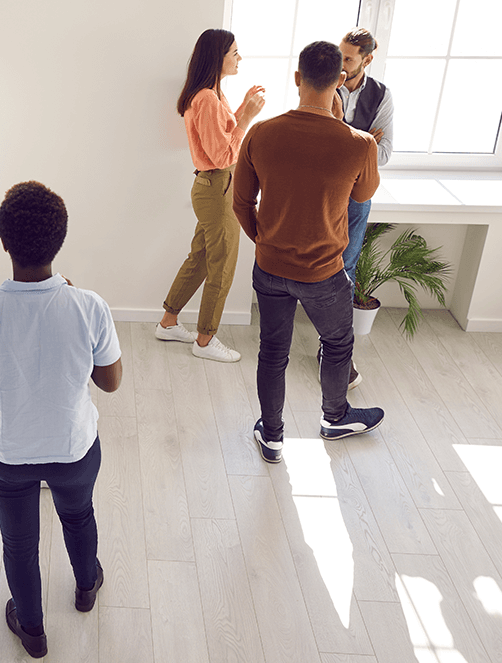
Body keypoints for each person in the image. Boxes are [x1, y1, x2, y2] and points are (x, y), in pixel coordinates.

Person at [0, 181, 122, 659]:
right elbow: (110, 383)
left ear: (4, 242)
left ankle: (32, 632)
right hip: (74, 451)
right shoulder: (89, 306)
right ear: (60, 240)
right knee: (78, 516)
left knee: (19, 543)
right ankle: (87, 587)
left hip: (7, 456)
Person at [232, 41, 384, 464]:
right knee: (337, 343)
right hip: (323, 274)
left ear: (297, 79)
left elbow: (241, 203)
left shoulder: (261, 133)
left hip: (270, 267)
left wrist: (264, 242)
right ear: (339, 82)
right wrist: (340, 124)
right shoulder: (359, 143)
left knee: (272, 351)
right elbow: (364, 193)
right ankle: (335, 418)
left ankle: (273, 436)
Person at [155, 28, 265, 362]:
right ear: (217, 57)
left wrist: (242, 108)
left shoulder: (212, 95)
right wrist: (246, 117)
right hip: (218, 187)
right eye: (234, 52)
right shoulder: (206, 98)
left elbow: (221, 135)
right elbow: (221, 155)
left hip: (216, 186)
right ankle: (204, 341)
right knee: (222, 265)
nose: (239, 58)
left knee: (201, 258)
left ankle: (168, 322)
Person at [321, 28, 395, 389]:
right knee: (315, 263)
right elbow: (316, 141)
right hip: (322, 192)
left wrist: (341, 134)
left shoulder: (382, 96)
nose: (341, 64)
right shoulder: (323, 84)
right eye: (340, 55)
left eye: (348, 58)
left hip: (357, 197)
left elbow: (383, 154)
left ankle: (332, 351)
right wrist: (362, 139)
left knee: (346, 269)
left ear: (367, 60)